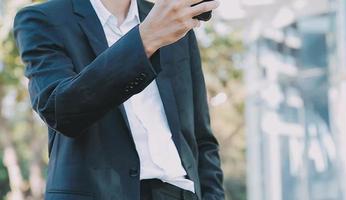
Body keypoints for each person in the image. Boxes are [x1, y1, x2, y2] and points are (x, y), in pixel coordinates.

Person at [13, 0, 224, 199]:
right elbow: (60, 110)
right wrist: (145, 39)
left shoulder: (173, 22)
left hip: (180, 191)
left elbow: (201, 137)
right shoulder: (42, 19)